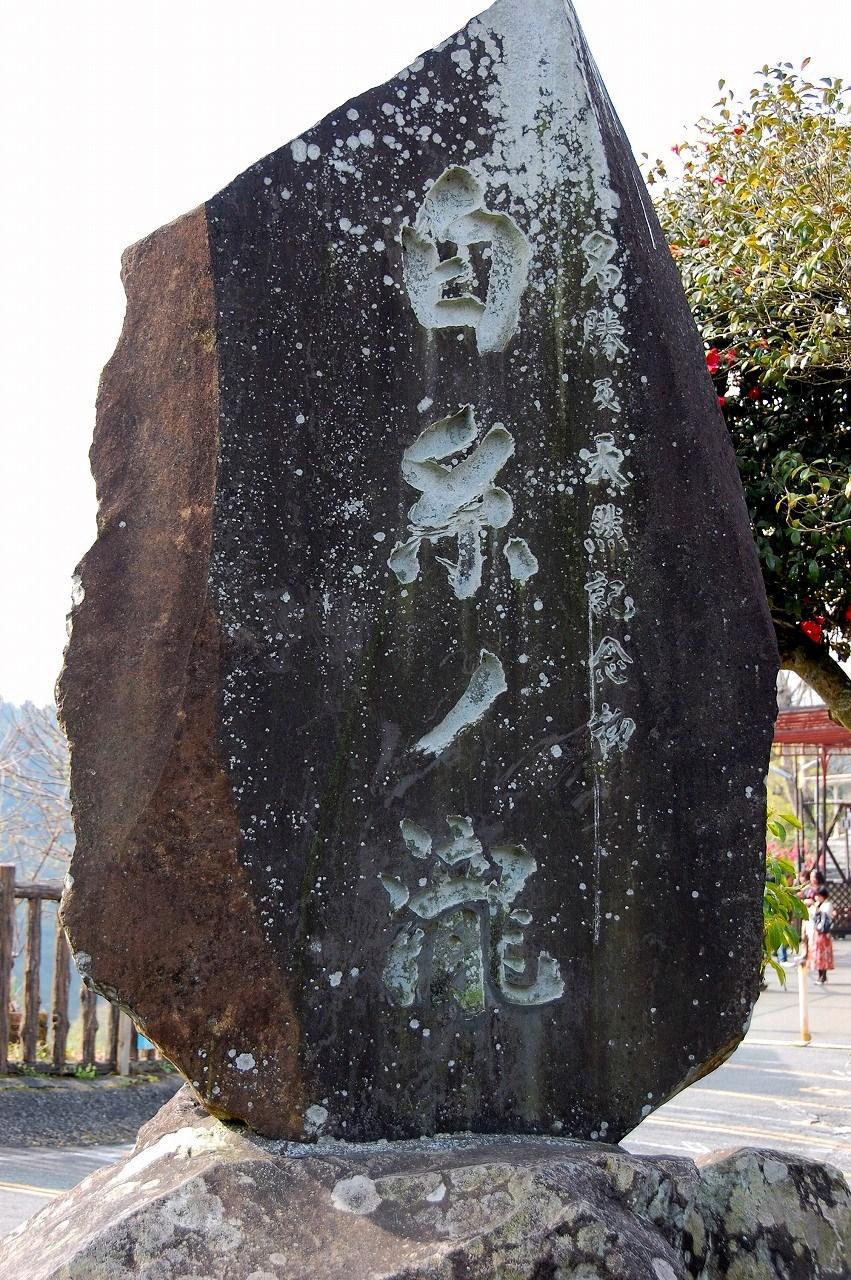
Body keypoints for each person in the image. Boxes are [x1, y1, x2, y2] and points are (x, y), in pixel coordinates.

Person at [805, 887, 834, 984]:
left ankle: (823, 976)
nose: (817, 897)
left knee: (823, 955)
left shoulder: (827, 905)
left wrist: (815, 907)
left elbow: (824, 915)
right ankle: (821, 976)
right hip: (817, 933)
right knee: (817, 955)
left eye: (818, 895)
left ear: (823, 896)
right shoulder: (818, 904)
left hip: (824, 933)